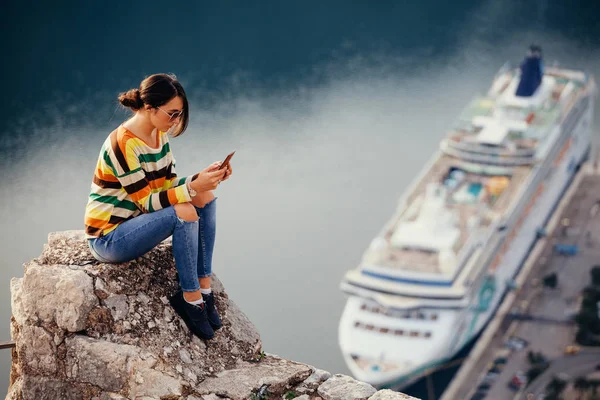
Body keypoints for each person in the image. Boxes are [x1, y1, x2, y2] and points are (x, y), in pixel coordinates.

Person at [84, 73, 232, 340]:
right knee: (185, 212)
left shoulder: (158, 135)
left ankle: (204, 289)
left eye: (180, 114)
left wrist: (202, 180)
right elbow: (148, 203)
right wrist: (192, 187)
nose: (176, 121)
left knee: (205, 196)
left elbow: (167, 187)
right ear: (150, 107)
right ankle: (190, 299)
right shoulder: (123, 144)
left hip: (136, 222)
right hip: (109, 238)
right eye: (172, 114)